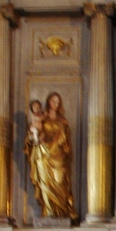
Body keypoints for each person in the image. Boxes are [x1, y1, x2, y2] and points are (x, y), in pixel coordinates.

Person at [25, 92, 76, 220]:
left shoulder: (62, 120)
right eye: (53, 101)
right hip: (43, 156)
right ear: (48, 102)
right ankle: (48, 212)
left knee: (60, 183)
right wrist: (34, 136)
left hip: (58, 156)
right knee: (45, 184)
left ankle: (62, 211)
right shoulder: (41, 117)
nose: (55, 104)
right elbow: (32, 135)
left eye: (57, 102)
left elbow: (66, 139)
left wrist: (59, 140)